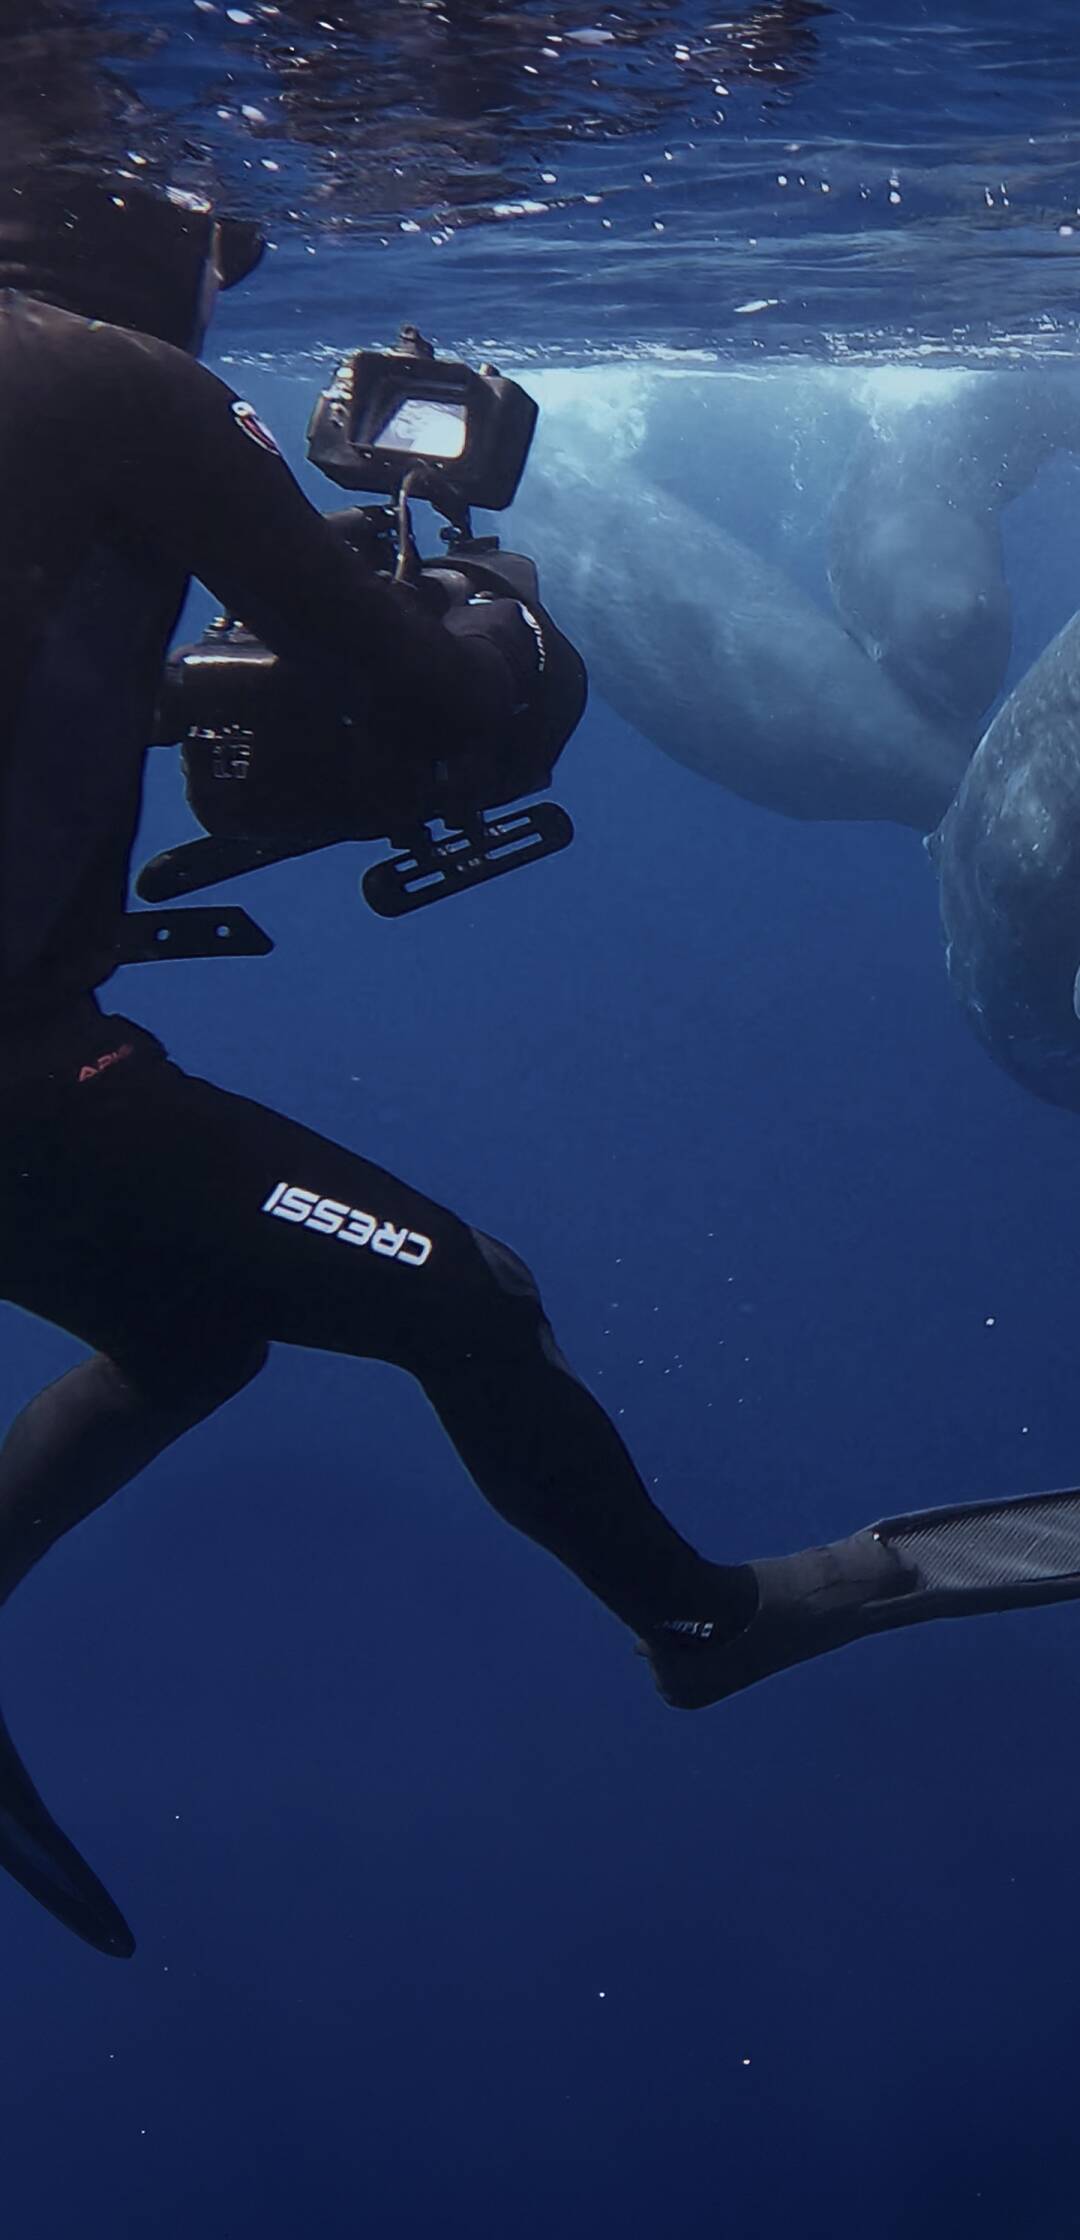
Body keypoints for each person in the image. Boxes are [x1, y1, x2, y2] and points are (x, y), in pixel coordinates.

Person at [1, 164, 1078, 1960]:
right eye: (215, 260)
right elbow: (438, 700)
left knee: (192, 1328)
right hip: (30, 1084)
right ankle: (704, 1624)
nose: (223, 296)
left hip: (33, 1066)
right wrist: (468, 617)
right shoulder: (118, 384)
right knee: (458, 1292)